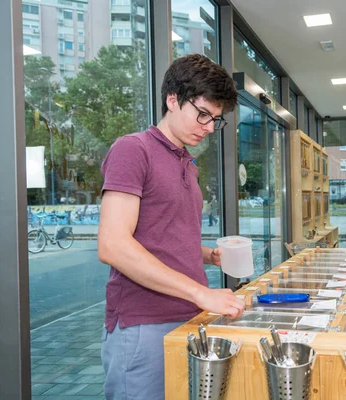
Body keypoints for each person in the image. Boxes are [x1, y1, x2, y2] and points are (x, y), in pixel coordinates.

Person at [97, 54, 245, 400]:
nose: (209, 127)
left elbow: (161, 236)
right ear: (172, 99)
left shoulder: (186, 164)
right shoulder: (133, 150)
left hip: (188, 317)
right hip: (143, 323)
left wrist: (209, 255)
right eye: (203, 114)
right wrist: (201, 292)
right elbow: (113, 245)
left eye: (216, 120)